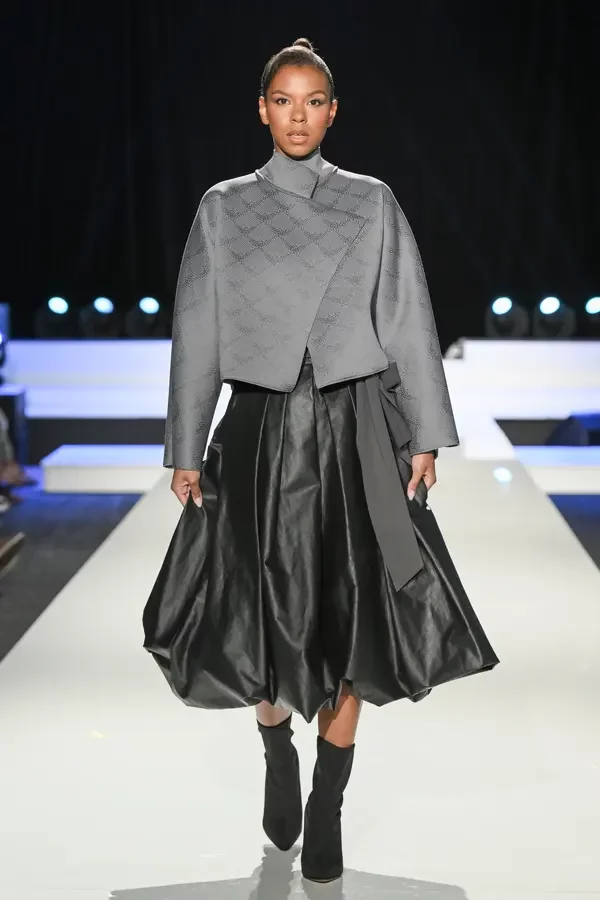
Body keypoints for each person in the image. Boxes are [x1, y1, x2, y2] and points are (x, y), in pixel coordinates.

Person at [143, 38, 499, 884]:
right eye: (283, 100)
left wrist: (424, 433)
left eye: (312, 102)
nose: (297, 116)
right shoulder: (225, 206)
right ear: (261, 110)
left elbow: (407, 315)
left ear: (333, 113)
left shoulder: (370, 201)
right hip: (259, 432)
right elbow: (197, 328)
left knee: (351, 616)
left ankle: (328, 800)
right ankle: (277, 750)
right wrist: (186, 444)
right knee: (259, 609)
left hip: (352, 431)